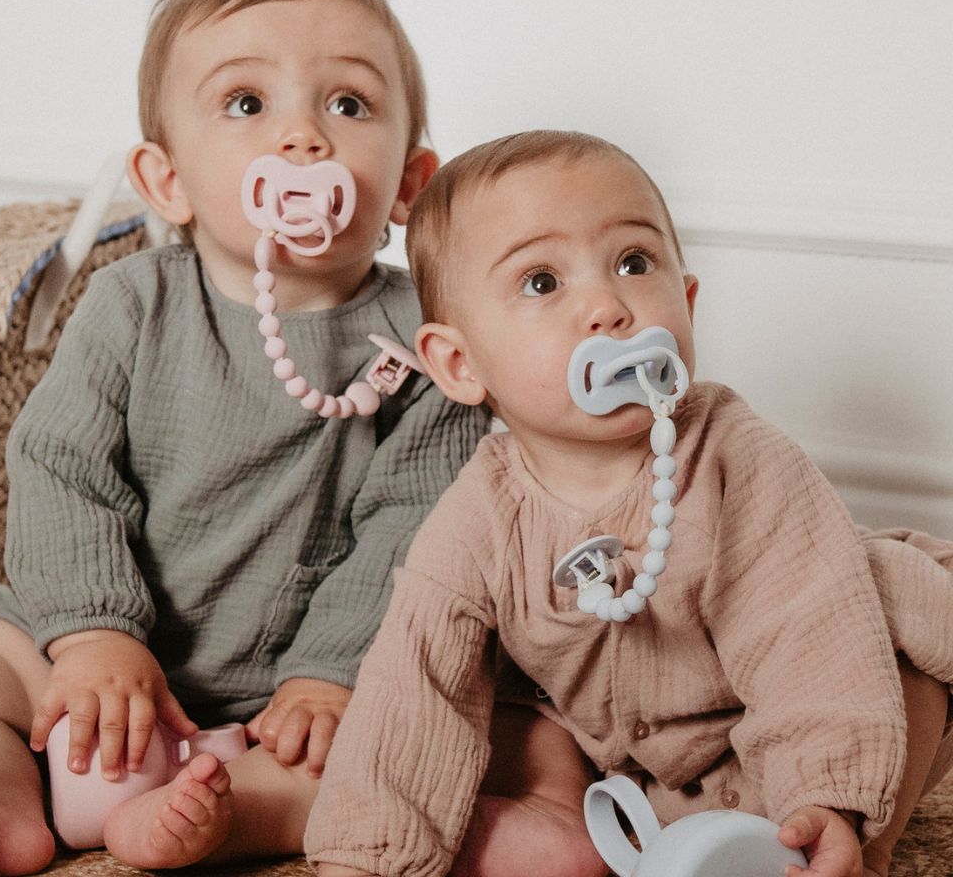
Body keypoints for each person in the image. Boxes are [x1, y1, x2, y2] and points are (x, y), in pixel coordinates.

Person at [0, 0, 492, 875]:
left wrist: (329, 673)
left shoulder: (431, 343)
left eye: (349, 105)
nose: (302, 137)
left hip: (277, 698)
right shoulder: (131, 303)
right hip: (74, 658)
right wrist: (92, 633)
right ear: (167, 182)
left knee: (390, 753)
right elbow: (61, 469)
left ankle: (234, 813)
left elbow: (412, 533)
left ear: (410, 183)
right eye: (246, 103)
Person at [306, 130, 953, 877]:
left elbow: (808, 634)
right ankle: (572, 820)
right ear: (460, 363)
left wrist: (828, 795)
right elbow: (414, 684)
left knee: (886, 635)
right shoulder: (479, 514)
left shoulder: (736, 458)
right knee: (487, 706)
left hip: (814, 692)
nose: (607, 308)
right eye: (542, 282)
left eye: (634, 263)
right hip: (637, 751)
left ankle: (853, 846)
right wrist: (365, 856)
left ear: (687, 303)